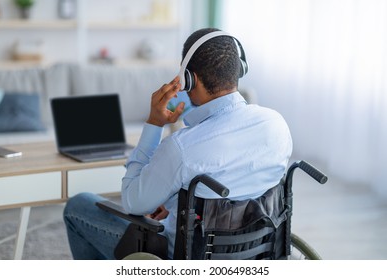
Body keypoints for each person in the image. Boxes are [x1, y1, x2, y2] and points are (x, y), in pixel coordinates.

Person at [63, 27, 293, 259]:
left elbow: (134, 202)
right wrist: (175, 202)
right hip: (255, 253)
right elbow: (240, 183)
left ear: (189, 79)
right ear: (240, 69)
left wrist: (154, 123)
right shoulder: (277, 125)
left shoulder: (181, 148)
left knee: (78, 206)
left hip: (183, 256)